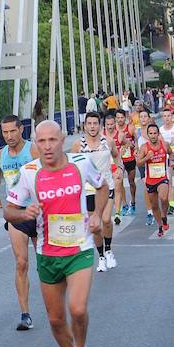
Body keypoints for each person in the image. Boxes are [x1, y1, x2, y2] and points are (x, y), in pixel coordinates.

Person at [4, 120, 108, 347]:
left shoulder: (81, 163)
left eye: (52, 140)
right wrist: (24, 213)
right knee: (55, 319)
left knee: (78, 308)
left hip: (79, 249)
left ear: (62, 140)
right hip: (48, 253)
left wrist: (96, 214)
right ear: (35, 144)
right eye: (42, 141)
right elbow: (8, 210)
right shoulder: (29, 172)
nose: (48, 146)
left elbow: (103, 186)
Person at [0, 115, 39, 330]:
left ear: (21, 130)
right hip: (16, 214)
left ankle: (55, 304)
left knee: (45, 263)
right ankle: (25, 313)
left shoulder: (33, 150)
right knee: (21, 263)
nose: (9, 136)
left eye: (12, 131)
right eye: (5, 132)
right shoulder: (0, 155)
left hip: (38, 210)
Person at [72, 112, 122, 272]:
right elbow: (72, 166)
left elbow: (116, 156)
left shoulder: (108, 141)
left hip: (106, 186)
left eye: (95, 123)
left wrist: (119, 168)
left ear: (100, 125)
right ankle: (100, 256)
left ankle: (108, 251)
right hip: (88, 190)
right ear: (85, 125)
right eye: (89, 124)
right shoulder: (77, 145)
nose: (92, 127)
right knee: (95, 225)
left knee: (106, 220)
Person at [136, 124, 174, 238]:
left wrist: (171, 161)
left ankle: (164, 216)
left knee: (163, 197)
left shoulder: (164, 145)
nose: (153, 136)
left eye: (155, 133)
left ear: (158, 134)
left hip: (162, 178)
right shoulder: (144, 147)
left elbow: (171, 153)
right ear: (148, 135)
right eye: (151, 134)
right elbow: (138, 163)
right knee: (154, 206)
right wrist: (147, 157)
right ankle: (160, 226)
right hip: (150, 180)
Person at [113, 109, 137, 216]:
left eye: (122, 117)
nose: (120, 120)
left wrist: (133, 146)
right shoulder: (113, 130)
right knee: (119, 183)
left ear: (125, 118)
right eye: (117, 118)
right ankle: (124, 204)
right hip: (120, 160)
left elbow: (136, 141)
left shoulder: (130, 128)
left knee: (131, 182)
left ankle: (133, 202)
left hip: (130, 159)